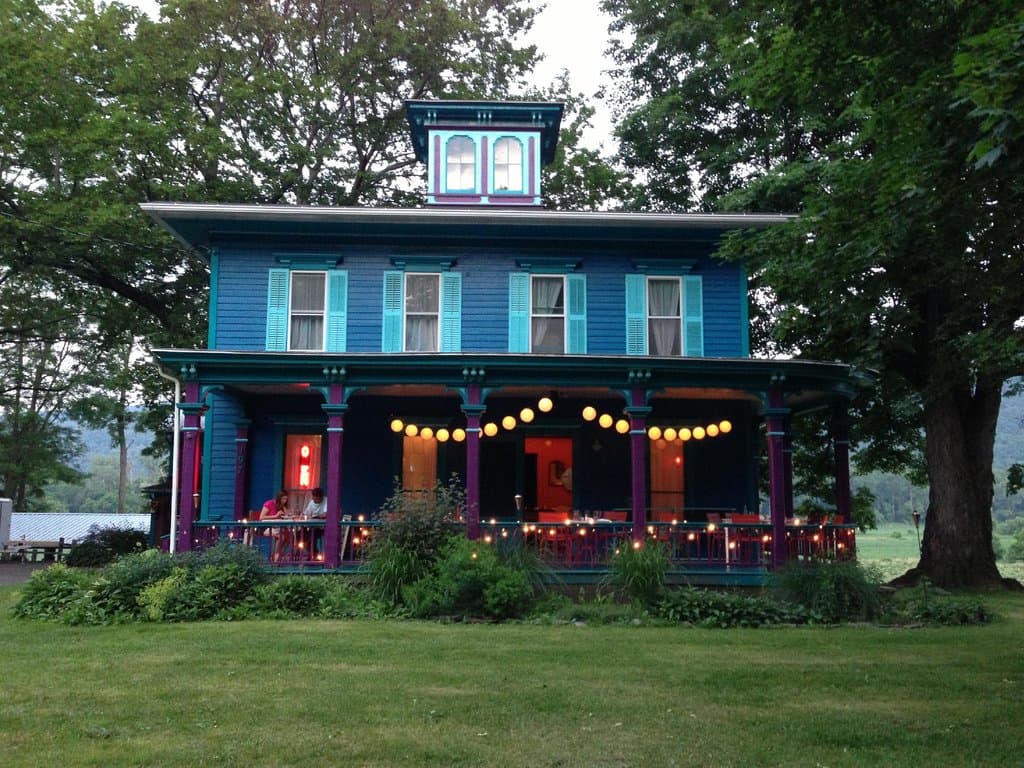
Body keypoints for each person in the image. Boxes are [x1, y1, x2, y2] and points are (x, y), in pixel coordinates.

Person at [259, 490, 291, 562]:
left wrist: (286, 512)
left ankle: (279, 554)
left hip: (276, 527)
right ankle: (275, 556)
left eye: (286, 499)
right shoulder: (269, 503)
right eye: (283, 499)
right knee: (281, 536)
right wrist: (275, 516)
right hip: (265, 527)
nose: (285, 501)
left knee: (289, 536)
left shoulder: (282, 506)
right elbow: (261, 517)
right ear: (279, 498)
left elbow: (287, 516)